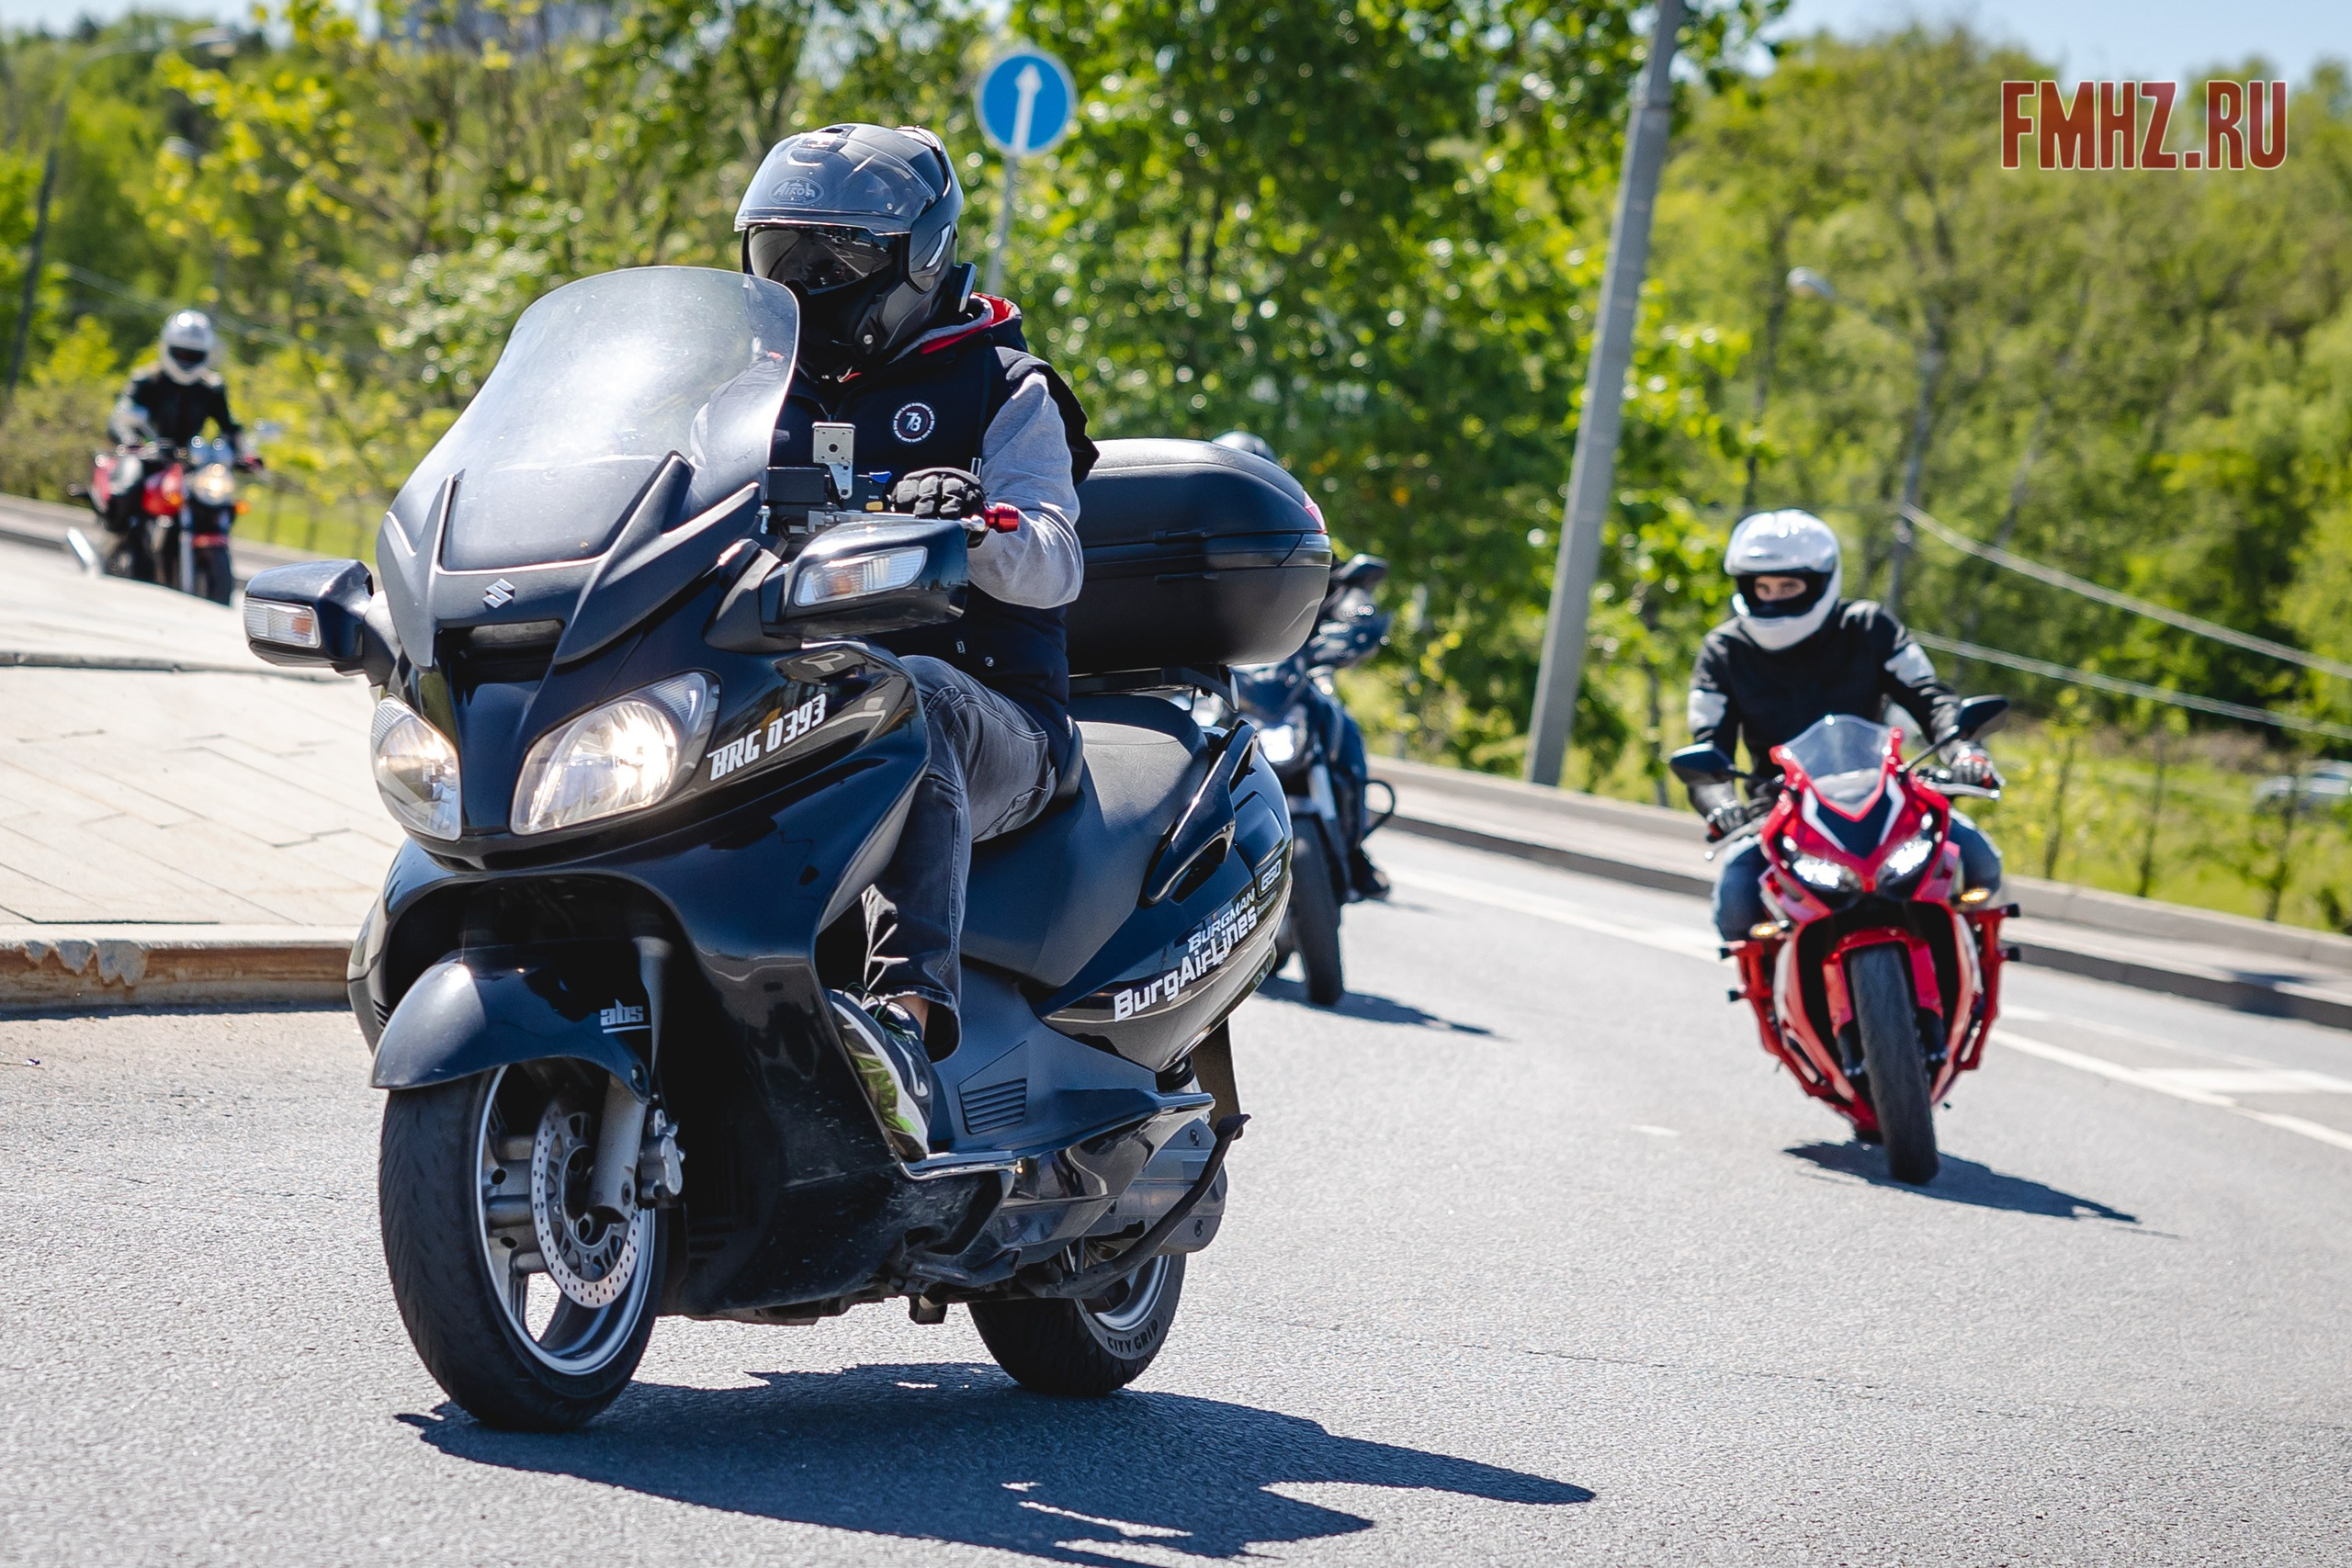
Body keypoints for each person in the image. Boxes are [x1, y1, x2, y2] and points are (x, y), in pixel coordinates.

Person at [737, 122, 1096, 1156]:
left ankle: (904, 1021)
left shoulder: (1001, 383)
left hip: (998, 722)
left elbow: (1054, 559)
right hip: (784, 696)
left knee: (904, 692)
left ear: (918, 258)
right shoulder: (749, 386)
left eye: (832, 260)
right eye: (776, 257)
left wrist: (972, 521)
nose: (800, 285)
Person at [1685, 509, 2003, 942]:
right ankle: (1772, 1001)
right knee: (1736, 906)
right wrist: (1720, 802)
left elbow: (1931, 699)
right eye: (1762, 586)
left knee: (1982, 864)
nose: (1773, 598)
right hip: (1780, 811)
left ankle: (1973, 956)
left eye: (1788, 585)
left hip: (1886, 797)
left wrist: (1965, 751)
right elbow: (1708, 750)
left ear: (1820, 582)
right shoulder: (1723, 651)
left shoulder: (1870, 627)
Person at [1211, 428, 1388, 901]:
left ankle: (1353, 849)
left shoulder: (1299, 540)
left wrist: (1356, 614)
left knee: (1341, 727)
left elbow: (1341, 584)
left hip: (1286, 681)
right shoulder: (1192, 547)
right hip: (1219, 689)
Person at [107, 310, 257, 602]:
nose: (186, 359)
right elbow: (121, 415)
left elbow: (230, 426)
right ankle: (122, 534)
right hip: (148, 454)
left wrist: (245, 453)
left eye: (194, 353)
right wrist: (131, 440)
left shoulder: (211, 387)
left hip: (191, 462)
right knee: (128, 486)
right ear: (167, 347)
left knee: (216, 499)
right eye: (181, 352)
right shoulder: (146, 380)